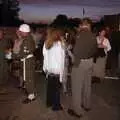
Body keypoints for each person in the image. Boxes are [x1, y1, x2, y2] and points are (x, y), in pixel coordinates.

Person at [68, 19, 97, 118]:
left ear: (83, 25)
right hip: (90, 62)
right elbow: (95, 50)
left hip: (80, 63)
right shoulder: (93, 35)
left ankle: (77, 111)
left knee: (77, 87)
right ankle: (87, 105)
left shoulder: (80, 34)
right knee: (87, 85)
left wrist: (73, 57)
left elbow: (77, 51)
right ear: (89, 25)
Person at [43, 27, 65, 111]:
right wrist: (61, 74)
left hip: (49, 69)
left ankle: (49, 103)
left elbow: (45, 57)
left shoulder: (47, 43)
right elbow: (61, 60)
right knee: (56, 89)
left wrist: (45, 69)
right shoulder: (59, 45)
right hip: (57, 70)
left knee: (50, 87)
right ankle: (56, 106)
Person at [13, 24, 36, 104]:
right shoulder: (27, 38)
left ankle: (31, 96)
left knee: (29, 79)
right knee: (27, 78)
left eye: (21, 31)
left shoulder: (27, 40)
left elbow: (24, 53)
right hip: (27, 61)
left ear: (24, 31)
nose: (20, 33)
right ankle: (29, 92)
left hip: (28, 62)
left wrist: (13, 56)